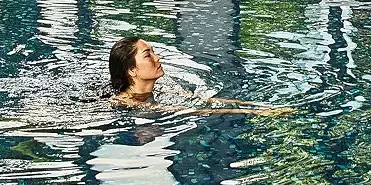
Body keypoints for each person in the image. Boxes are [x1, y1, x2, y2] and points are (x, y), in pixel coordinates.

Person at [107, 37, 291, 115]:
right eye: (148, 55)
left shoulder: (162, 89)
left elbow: (204, 100)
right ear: (131, 70)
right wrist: (253, 113)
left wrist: (259, 106)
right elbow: (194, 110)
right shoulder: (126, 103)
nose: (157, 58)